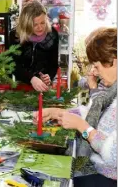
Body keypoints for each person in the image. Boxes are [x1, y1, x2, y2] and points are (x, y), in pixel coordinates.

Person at [34, 27, 117, 187]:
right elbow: (94, 114)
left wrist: (82, 127)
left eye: (96, 66)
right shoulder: (111, 90)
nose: (94, 72)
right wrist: (58, 113)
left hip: (106, 177)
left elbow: (113, 156)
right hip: (95, 168)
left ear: (114, 61)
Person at [9, 0, 59, 92]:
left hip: (43, 87)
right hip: (21, 86)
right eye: (35, 24)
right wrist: (31, 78)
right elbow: (13, 65)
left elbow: (53, 64)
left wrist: (48, 77)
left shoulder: (52, 34)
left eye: (43, 23)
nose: (40, 28)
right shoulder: (15, 35)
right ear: (26, 24)